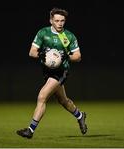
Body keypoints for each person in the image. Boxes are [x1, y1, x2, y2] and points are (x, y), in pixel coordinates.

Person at [16, 7, 87, 139]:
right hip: (47, 71)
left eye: (62, 21)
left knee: (42, 96)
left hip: (61, 71)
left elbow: (78, 56)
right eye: (57, 20)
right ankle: (80, 115)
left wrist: (66, 56)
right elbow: (32, 52)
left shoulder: (69, 36)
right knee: (63, 100)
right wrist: (42, 55)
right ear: (51, 21)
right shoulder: (43, 33)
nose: (60, 23)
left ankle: (30, 130)